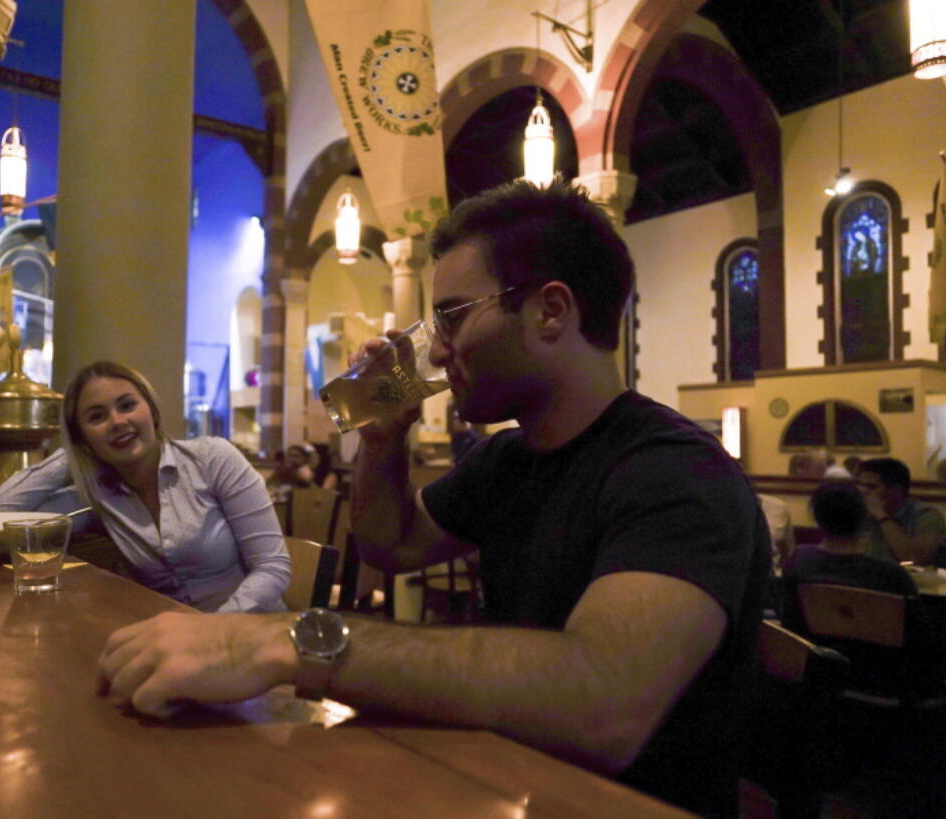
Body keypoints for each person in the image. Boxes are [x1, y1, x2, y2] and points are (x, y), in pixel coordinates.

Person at [94, 180, 770, 818]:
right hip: (503, 783)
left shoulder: (677, 473)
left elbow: (603, 701)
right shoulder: (509, 458)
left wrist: (290, 639)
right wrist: (386, 436)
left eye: (451, 316)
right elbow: (391, 545)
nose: (439, 351)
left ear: (551, 310)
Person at [0, 361, 290, 613]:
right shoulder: (95, 496)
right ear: (82, 437)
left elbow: (273, 566)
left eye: (127, 405)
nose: (117, 421)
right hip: (173, 641)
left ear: (151, 411)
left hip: (252, 633)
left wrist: (211, 629)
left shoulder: (212, 458)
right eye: (97, 417)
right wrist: (69, 456)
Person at [781, 480, 919, 634]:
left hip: (815, 653)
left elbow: (790, 622)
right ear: (863, 518)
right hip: (877, 656)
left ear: (817, 518)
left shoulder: (799, 560)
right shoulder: (892, 574)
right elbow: (916, 633)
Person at [856, 457, 946, 564]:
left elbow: (913, 558)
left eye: (872, 487)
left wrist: (882, 516)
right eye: (860, 485)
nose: (862, 491)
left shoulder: (926, 515)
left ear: (897, 491)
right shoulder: (857, 511)